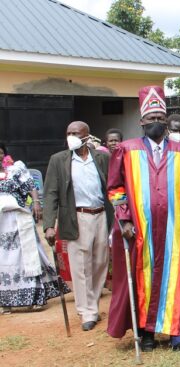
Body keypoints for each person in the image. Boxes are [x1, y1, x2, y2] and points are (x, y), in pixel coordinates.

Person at [106, 86, 180, 356]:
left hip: (176, 228)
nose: (156, 122)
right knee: (143, 276)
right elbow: (115, 189)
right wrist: (124, 220)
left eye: (160, 117)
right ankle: (146, 332)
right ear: (142, 122)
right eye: (151, 118)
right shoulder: (126, 150)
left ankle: (179, 335)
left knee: (178, 277)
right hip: (140, 228)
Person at [43, 122, 113, 331]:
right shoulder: (59, 160)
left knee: (100, 262)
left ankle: (92, 303)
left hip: (101, 215)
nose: (71, 136)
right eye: (68, 133)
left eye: (75, 133)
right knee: (81, 266)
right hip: (76, 217)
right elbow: (51, 193)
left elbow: (112, 186)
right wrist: (49, 225)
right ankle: (87, 311)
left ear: (86, 136)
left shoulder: (102, 158)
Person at [0, 144, 68, 313]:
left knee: (27, 257)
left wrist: (37, 203)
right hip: (1, 224)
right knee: (4, 261)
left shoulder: (16, 169)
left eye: (0, 153)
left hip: (19, 218)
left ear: (4, 155)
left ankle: (35, 297)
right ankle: (6, 302)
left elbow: (31, 185)